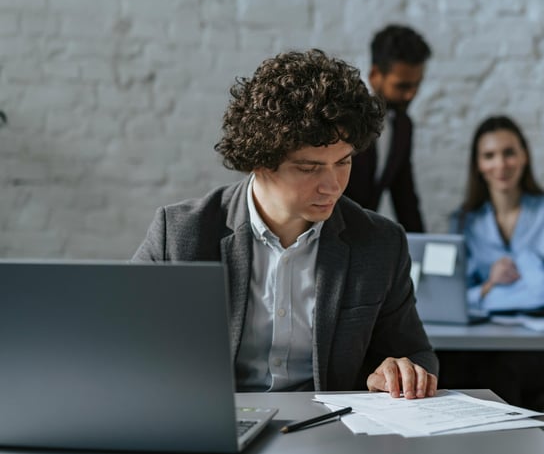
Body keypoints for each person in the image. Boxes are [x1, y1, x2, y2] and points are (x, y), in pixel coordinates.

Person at [133, 49, 438, 399]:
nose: (333, 185)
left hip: (329, 433)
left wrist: (397, 371)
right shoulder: (180, 234)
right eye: (309, 168)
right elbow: (121, 341)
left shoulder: (381, 243)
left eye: (343, 162)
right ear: (259, 161)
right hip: (216, 426)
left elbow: (416, 354)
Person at [437, 115, 544, 408]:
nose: (501, 164)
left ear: (524, 156)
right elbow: (454, 298)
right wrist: (490, 284)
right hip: (477, 344)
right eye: (489, 156)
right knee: (441, 366)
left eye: (509, 153)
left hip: (536, 346)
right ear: (478, 165)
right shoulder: (464, 221)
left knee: (499, 371)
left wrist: (485, 292)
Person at [344, 24, 430, 232]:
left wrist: (422, 250)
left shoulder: (403, 125)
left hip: (363, 243)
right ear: (375, 74)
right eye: (402, 86)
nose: (411, 95)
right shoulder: (343, 116)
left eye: (416, 85)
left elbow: (404, 198)